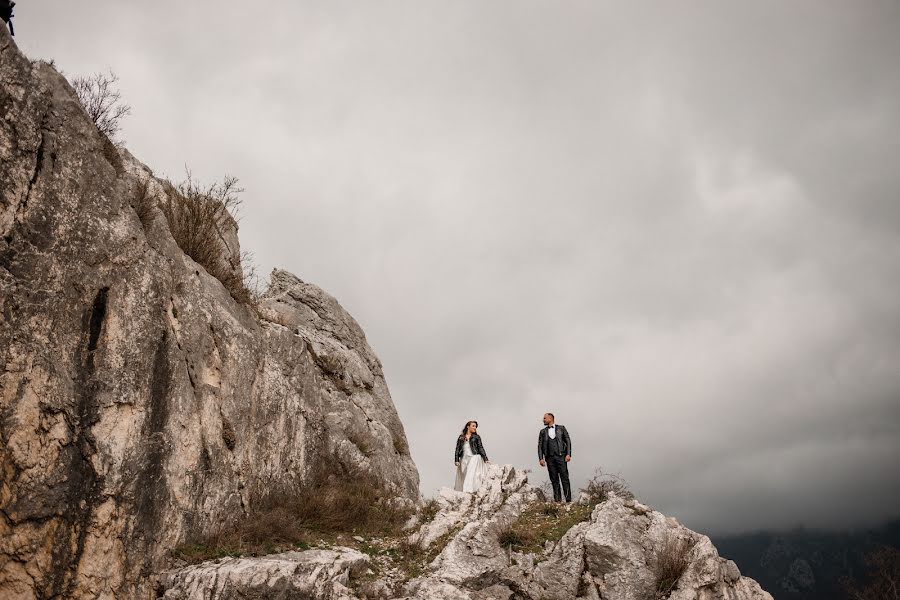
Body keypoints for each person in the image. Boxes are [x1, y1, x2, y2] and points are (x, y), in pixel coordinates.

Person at [537, 412, 572, 502]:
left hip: (561, 456)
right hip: (549, 458)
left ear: (550, 418)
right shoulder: (542, 432)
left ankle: (568, 500)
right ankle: (557, 501)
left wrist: (568, 454)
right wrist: (541, 458)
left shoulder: (561, 428)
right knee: (554, 479)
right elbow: (540, 446)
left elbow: (568, 441)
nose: (543, 420)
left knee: (564, 478)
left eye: (544, 418)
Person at [454, 420, 489, 493]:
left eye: (475, 426)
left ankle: (468, 490)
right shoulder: (461, 437)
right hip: (464, 459)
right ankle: (467, 490)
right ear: (468, 426)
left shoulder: (476, 437)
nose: (475, 427)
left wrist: (485, 458)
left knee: (472, 472)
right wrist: (456, 460)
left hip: (474, 456)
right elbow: (457, 448)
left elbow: (480, 447)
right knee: (465, 475)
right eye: (473, 426)